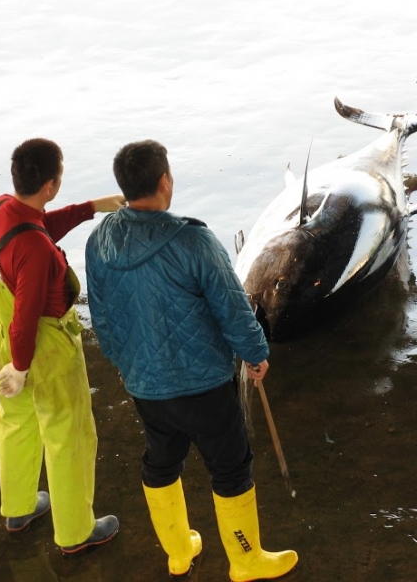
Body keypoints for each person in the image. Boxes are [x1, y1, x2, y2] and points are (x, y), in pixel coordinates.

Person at [84, 139, 298, 580]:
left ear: (124, 186)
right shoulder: (193, 239)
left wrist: (124, 362)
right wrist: (255, 354)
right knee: (231, 467)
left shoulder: (99, 238)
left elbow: (100, 313)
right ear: (165, 181)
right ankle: (245, 559)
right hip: (205, 384)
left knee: (161, 461)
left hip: (145, 383)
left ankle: (180, 552)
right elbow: (232, 306)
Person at [0, 138, 124, 553]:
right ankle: (76, 531)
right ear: (50, 185)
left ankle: (20, 508)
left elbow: (34, 229)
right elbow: (27, 313)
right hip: (41, 345)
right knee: (68, 433)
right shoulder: (37, 249)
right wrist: (23, 367)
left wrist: (91, 207)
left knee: (16, 417)